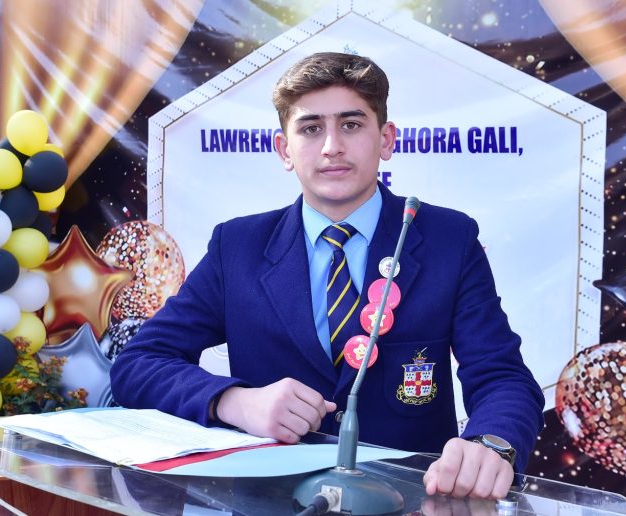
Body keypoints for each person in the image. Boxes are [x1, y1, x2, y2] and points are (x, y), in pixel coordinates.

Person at [110, 52, 544, 500]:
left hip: (409, 504)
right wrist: (235, 402)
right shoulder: (237, 247)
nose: (332, 146)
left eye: (351, 125)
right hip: (271, 504)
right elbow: (139, 364)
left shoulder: (447, 239)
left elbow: (503, 377)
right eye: (311, 128)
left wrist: (491, 444)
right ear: (285, 150)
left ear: (386, 139)